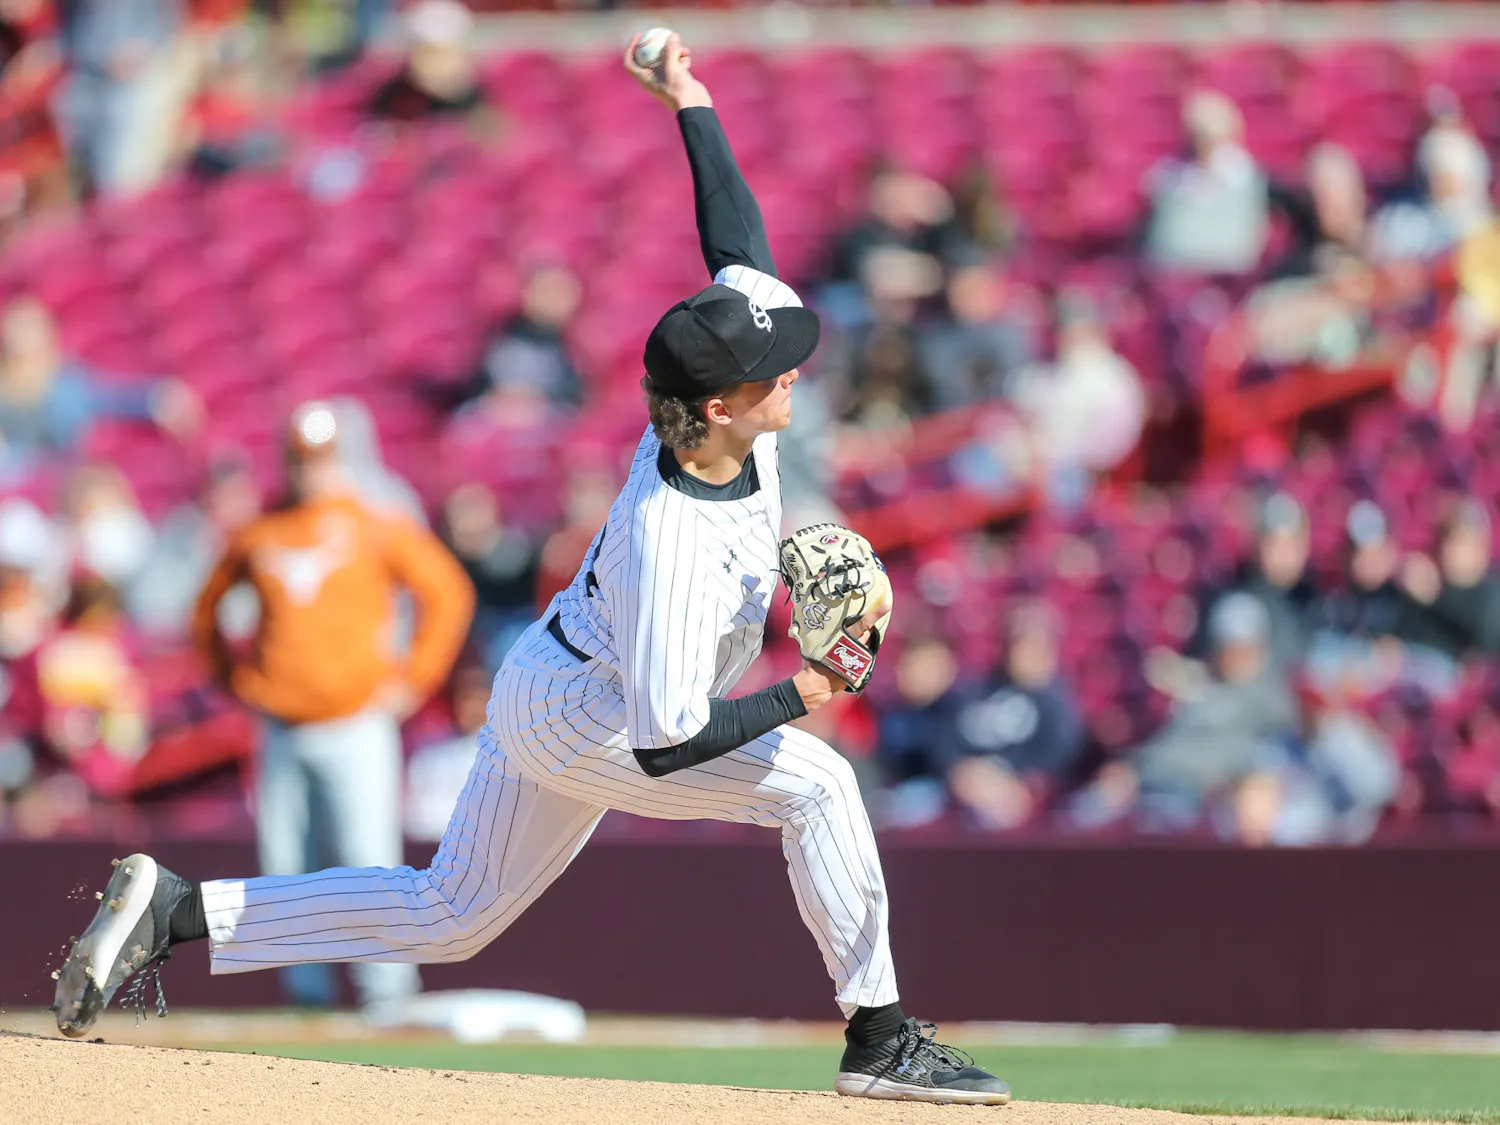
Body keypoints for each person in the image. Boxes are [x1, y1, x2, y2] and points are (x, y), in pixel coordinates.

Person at [51, 37, 1011, 1106]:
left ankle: (178, 911)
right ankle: (879, 1036)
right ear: (719, 403)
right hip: (600, 714)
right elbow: (664, 745)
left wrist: (690, 100)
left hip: (550, 675)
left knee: (447, 915)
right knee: (820, 786)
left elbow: (736, 239)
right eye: (771, 369)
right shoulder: (671, 536)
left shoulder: (719, 422)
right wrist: (809, 690)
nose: (794, 370)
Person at [185, 402, 474, 1013]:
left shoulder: (374, 523)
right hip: (281, 726)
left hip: (356, 722)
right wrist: (234, 677)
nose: (310, 471)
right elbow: (206, 611)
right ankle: (305, 996)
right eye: (301, 459)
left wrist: (414, 679)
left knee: (369, 861)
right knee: (286, 865)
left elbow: (446, 594)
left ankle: (387, 991)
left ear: (342, 460)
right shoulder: (261, 532)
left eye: (321, 459)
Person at [948, 607, 1083, 831]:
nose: (1025, 655)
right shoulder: (979, 691)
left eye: (1034, 647)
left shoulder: (1057, 702)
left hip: (1028, 795)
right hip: (973, 790)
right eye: (1020, 646)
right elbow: (950, 741)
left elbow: (1061, 759)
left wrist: (1018, 785)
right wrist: (964, 772)